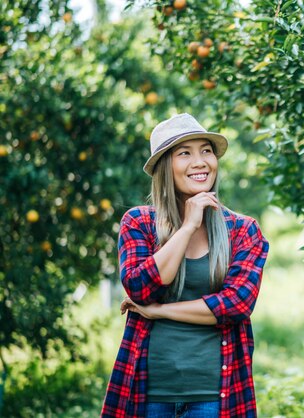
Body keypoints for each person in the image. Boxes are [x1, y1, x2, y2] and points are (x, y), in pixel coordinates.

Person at [101, 113, 269, 418]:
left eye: (206, 150)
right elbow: (140, 288)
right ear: (166, 166)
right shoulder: (139, 223)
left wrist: (160, 311)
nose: (200, 161)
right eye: (185, 153)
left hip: (215, 396)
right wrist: (188, 226)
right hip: (148, 392)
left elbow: (235, 305)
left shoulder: (244, 231)